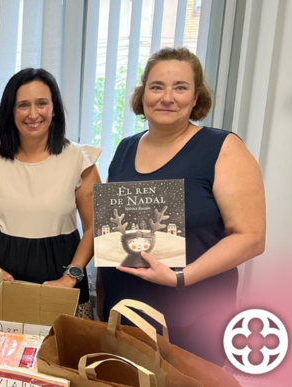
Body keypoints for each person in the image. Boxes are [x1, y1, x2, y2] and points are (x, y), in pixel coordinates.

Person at [97, 47, 266, 365]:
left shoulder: (223, 148)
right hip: (129, 312)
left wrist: (180, 277)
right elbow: (114, 236)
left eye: (180, 87)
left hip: (195, 319)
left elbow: (251, 237)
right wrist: (103, 300)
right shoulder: (124, 148)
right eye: (157, 86)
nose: (167, 97)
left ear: (196, 96)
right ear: (142, 93)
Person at [0, 68, 101, 318]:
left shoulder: (80, 159)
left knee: (62, 353)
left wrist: (71, 277)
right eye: (23, 105)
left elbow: (94, 227)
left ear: (54, 108)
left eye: (42, 104)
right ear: (10, 112)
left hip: (62, 274)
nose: (33, 114)